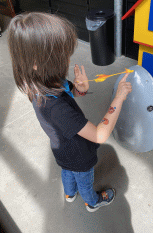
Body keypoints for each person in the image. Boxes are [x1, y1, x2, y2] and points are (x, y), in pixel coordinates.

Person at [7, 12, 132, 212]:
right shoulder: (55, 107)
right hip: (79, 155)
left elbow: (68, 91)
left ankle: (69, 193)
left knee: (67, 172)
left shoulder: (40, 82)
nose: (67, 59)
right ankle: (92, 202)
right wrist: (118, 98)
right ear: (38, 63)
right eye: (61, 55)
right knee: (84, 180)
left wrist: (79, 89)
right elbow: (99, 134)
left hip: (62, 150)